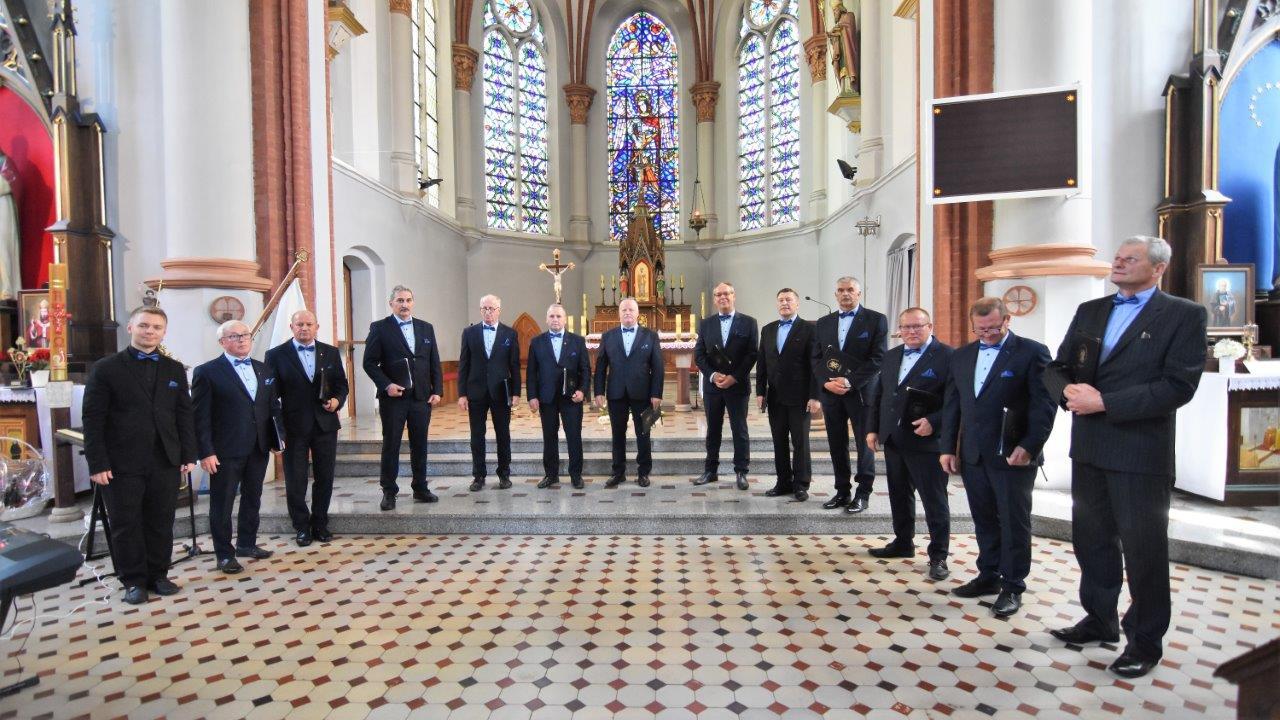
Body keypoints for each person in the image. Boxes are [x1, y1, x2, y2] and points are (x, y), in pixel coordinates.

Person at [1049, 236, 1207, 679]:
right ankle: (1099, 619)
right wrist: (1066, 390)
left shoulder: (1183, 315)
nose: (1117, 263)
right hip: (1090, 447)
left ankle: (1144, 641)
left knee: (1143, 551)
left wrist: (1106, 402)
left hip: (1139, 451)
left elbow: (1178, 386)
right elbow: (1058, 367)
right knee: (1092, 541)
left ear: (1158, 268)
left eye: (1129, 259)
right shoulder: (1091, 310)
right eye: (1117, 258)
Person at [939, 298, 1056, 618]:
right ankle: (988, 574)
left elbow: (1044, 404)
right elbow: (953, 404)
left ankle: (1013, 585)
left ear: (1007, 320)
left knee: (1013, 521)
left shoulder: (1032, 352)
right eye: (980, 330)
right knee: (985, 518)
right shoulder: (962, 356)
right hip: (974, 454)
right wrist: (948, 447)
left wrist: (1030, 446)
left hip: (1013, 454)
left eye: (993, 328)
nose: (987, 334)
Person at [82, 306, 197, 604]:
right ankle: (133, 581)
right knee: (126, 523)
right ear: (131, 328)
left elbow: (183, 415)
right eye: (144, 325)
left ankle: (158, 574)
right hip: (121, 462)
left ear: (164, 332)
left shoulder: (174, 369)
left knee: (161, 520)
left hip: (165, 459)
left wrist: (188, 454)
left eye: (156, 327)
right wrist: (97, 462)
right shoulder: (106, 368)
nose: (150, 331)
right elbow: (93, 419)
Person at [865, 308, 954, 581]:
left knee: (934, 500)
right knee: (899, 494)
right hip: (894, 438)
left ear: (930, 326)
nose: (911, 331)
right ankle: (903, 542)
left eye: (917, 326)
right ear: (899, 330)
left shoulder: (948, 356)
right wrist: (873, 428)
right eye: (906, 327)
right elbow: (880, 394)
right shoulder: (891, 355)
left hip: (927, 442)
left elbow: (956, 401)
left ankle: (938, 555)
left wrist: (935, 422)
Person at [193, 320, 284, 574]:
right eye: (234, 336)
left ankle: (247, 543)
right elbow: (200, 416)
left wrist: (278, 437)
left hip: (258, 446)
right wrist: (205, 451)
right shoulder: (207, 372)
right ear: (222, 342)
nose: (242, 340)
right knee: (222, 504)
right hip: (225, 450)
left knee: (253, 497)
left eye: (245, 335)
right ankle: (224, 554)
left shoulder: (264, 369)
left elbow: (273, 407)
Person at [265, 310, 349, 547]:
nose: (304, 328)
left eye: (308, 324)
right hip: (293, 426)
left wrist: (337, 401)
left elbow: (341, 385)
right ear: (291, 327)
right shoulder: (275, 355)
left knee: (325, 476)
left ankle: (320, 523)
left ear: (316, 327)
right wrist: (276, 430)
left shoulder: (330, 352)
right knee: (296, 478)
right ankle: (301, 526)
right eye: (299, 324)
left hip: (325, 424)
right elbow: (270, 396)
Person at [362, 285, 443, 511]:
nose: (404, 304)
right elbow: (369, 363)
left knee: (420, 444)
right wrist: (386, 385)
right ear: (391, 304)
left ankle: (420, 488)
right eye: (399, 300)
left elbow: (434, 361)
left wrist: (437, 390)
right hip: (393, 398)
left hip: (421, 397)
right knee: (391, 444)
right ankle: (389, 491)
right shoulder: (380, 328)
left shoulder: (426, 328)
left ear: (413, 302)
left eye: (408, 300)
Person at [813, 276, 887, 513]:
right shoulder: (823, 323)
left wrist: (850, 381)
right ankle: (842, 491)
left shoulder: (876, 320)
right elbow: (816, 358)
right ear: (835, 294)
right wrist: (826, 383)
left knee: (864, 445)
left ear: (859, 293)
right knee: (836, 444)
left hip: (862, 393)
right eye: (841, 290)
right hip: (832, 394)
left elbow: (878, 358)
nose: (845, 293)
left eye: (850, 290)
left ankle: (863, 494)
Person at [755, 288, 821, 501]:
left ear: (797, 304)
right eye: (781, 300)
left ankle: (801, 484)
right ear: (777, 304)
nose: (785, 303)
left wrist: (815, 396)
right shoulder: (768, 329)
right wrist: (760, 391)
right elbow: (762, 362)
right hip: (775, 396)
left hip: (800, 397)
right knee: (779, 441)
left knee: (800, 442)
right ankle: (783, 482)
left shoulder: (810, 329)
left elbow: (815, 366)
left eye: (789, 300)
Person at [693, 282, 759, 490]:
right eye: (718, 294)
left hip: (737, 386)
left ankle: (741, 471)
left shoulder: (749, 322)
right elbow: (699, 355)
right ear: (714, 299)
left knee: (739, 429)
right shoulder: (706, 324)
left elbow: (752, 354)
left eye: (726, 293)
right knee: (713, 430)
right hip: (713, 387)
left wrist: (734, 377)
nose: (723, 297)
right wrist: (713, 375)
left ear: (733, 296)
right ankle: (710, 470)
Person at [594, 298, 664, 488]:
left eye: (631, 310)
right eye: (624, 310)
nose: (627, 313)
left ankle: (643, 472)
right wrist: (598, 391)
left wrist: (656, 393)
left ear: (637, 313)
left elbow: (658, 367)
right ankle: (618, 472)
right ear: (619, 313)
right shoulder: (608, 336)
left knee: (643, 433)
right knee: (617, 433)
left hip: (643, 393)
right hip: (616, 392)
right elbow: (600, 367)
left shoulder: (650, 336)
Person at [458, 294, 521, 491]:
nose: (487, 312)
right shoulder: (469, 333)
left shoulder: (510, 334)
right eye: (484, 308)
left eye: (491, 308)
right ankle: (478, 476)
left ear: (498, 311)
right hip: (476, 391)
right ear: (480, 310)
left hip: (501, 392)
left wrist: (516, 392)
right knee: (477, 435)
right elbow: (463, 364)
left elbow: (514, 365)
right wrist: (462, 394)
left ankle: (504, 474)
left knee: (503, 434)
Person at [526, 303, 592, 489]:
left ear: (565, 320)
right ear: (546, 319)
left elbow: (585, 370)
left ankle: (576, 475)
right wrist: (532, 396)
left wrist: (583, 391)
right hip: (546, 398)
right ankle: (551, 475)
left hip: (571, 398)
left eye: (558, 316)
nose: (555, 319)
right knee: (549, 437)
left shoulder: (577, 341)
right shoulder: (536, 342)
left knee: (574, 436)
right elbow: (531, 372)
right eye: (552, 316)